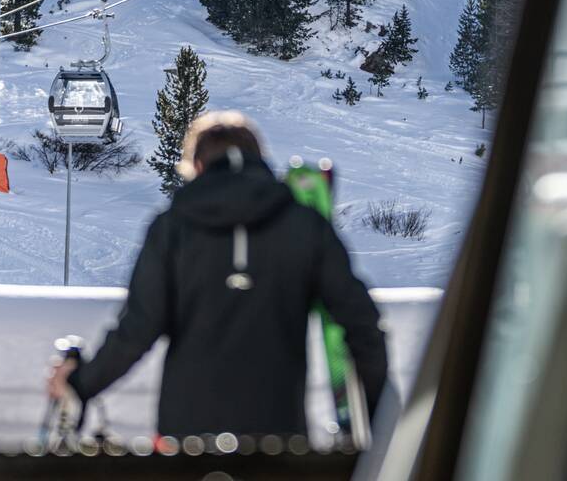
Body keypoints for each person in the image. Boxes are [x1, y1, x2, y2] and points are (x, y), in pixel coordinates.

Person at [45, 110, 387, 438]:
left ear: (196, 166)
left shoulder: (172, 228)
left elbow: (138, 327)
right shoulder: (305, 225)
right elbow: (360, 322)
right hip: (280, 432)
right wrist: (379, 416)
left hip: (186, 433)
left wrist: (82, 383)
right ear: (260, 160)